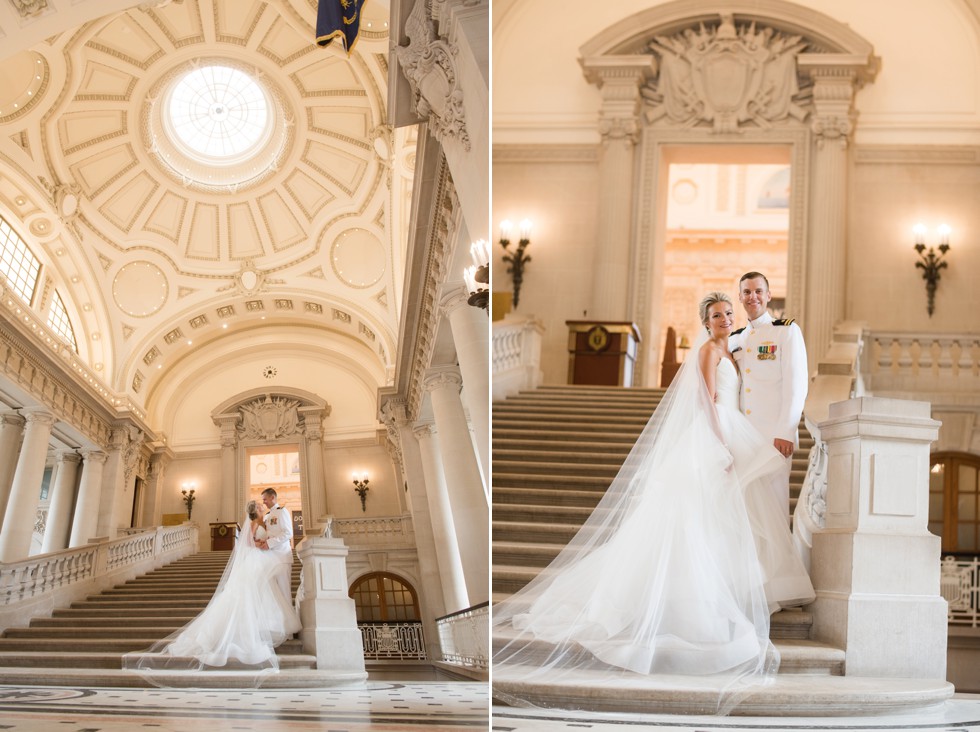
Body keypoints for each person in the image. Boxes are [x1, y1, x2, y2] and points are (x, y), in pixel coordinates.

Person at [492, 292, 814, 711]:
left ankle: (728, 586)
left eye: (727, 313)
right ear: (705, 320)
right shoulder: (706, 352)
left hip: (736, 429)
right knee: (699, 518)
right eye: (717, 315)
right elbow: (707, 401)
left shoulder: (733, 347)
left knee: (727, 517)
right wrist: (720, 445)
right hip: (716, 435)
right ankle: (689, 597)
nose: (724, 318)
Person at [123, 499, 301, 678]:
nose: (263, 506)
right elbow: (247, 543)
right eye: (261, 506)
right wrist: (260, 544)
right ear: (256, 510)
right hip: (255, 559)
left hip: (261, 559)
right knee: (249, 595)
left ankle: (263, 626)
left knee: (261, 594)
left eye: (263, 504)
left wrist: (266, 543)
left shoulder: (267, 519)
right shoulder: (255, 523)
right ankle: (246, 632)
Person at [730, 272, 808, 518]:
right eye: (747, 292)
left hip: (773, 436)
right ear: (740, 297)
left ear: (768, 295)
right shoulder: (735, 338)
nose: (753, 296)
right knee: (745, 509)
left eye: (758, 291)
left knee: (773, 509)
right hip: (741, 435)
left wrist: (786, 431)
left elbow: (796, 385)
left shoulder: (786, 331)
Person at [256, 487, 293, 604]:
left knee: (283, 591)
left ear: (272, 497)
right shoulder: (267, 515)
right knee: (273, 594)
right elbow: (270, 533)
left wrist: (269, 543)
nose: (263, 502)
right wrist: (262, 541)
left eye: (265, 499)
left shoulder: (282, 511)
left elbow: (288, 533)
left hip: (282, 557)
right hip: (270, 557)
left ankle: (288, 622)